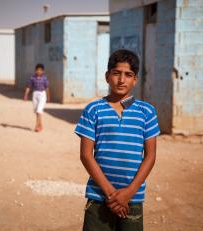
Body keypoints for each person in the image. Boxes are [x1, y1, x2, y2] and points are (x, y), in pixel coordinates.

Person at [74, 49, 160, 231]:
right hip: (98, 196)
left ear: (135, 79)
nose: (121, 80)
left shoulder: (146, 112)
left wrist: (127, 194)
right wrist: (112, 194)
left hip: (133, 198)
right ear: (107, 76)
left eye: (128, 75)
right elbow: (86, 155)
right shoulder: (94, 109)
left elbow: (150, 156)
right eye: (116, 73)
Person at [23, 63, 50, 132]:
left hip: (42, 94)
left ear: (43, 71)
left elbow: (47, 88)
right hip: (35, 94)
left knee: (39, 110)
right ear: (35, 70)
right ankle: (40, 125)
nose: (39, 71)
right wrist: (26, 95)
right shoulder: (32, 78)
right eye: (37, 70)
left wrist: (48, 96)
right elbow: (28, 87)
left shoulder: (44, 78)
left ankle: (37, 126)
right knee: (36, 111)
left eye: (40, 70)